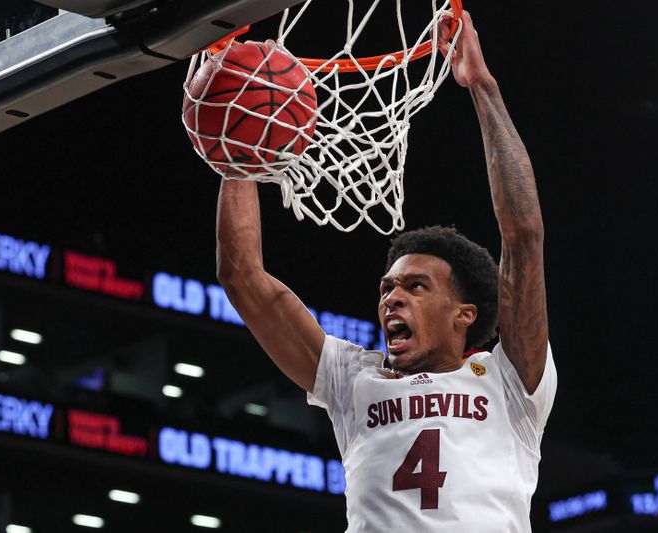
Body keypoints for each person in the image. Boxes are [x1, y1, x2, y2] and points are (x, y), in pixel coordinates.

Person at [215, 11, 555, 533]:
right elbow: (243, 277)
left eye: (416, 287)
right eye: (388, 287)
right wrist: (240, 152)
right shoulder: (355, 380)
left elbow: (524, 236)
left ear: (464, 314)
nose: (391, 298)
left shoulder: (508, 383)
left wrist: (481, 86)